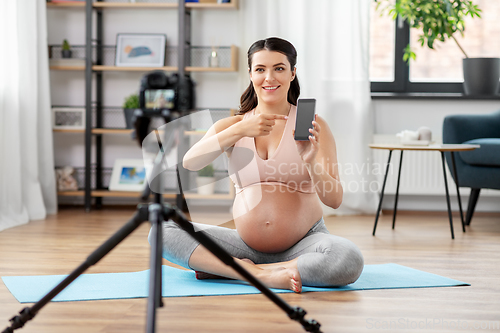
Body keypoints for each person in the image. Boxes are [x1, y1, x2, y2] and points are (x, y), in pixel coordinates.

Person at [151, 37, 364, 293]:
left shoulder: (313, 126)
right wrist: (241, 129)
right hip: (243, 245)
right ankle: (257, 273)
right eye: (261, 69)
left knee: (348, 258)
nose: (269, 78)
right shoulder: (233, 126)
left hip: (304, 244)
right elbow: (190, 163)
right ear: (250, 73)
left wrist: (311, 162)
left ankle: (235, 270)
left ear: (292, 73)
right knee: (162, 231)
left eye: (279, 68)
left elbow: (335, 200)